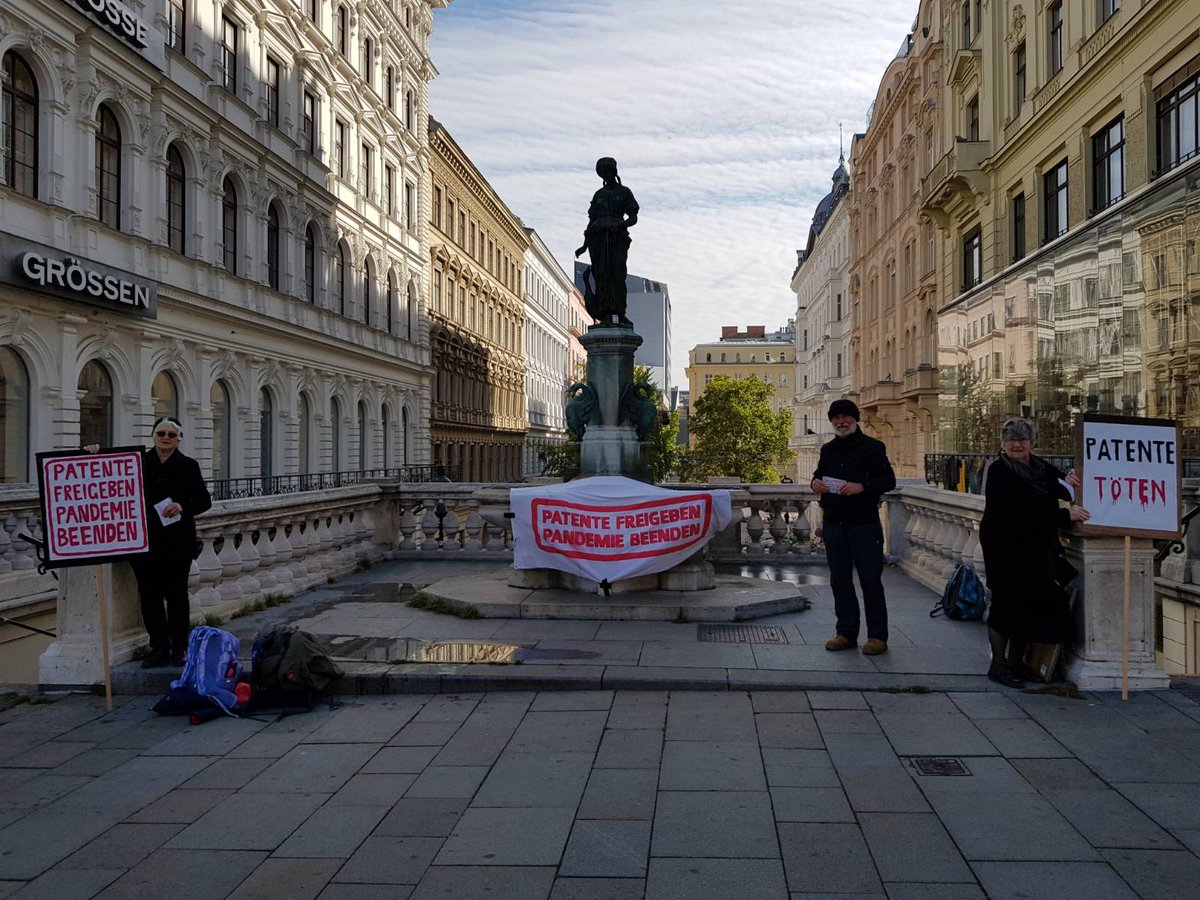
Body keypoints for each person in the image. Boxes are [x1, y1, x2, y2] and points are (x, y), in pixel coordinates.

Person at [979, 418, 1089, 688]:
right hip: (1003, 545)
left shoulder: (1039, 466)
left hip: (1034, 546)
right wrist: (1064, 514)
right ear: (1003, 444)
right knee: (1005, 604)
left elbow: (1060, 484)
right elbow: (1018, 512)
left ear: (1031, 442)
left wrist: (1072, 480)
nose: (1016, 444)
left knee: (1031, 603)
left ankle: (1017, 662)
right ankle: (998, 666)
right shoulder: (998, 471)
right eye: (1011, 440)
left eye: (1022, 439)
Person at [810, 399, 897, 655]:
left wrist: (862, 487)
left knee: (870, 580)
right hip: (834, 524)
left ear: (855, 419)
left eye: (846, 417)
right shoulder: (828, 450)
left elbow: (888, 480)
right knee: (839, 580)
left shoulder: (873, 447)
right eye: (836, 418)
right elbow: (819, 475)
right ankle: (846, 632)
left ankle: (877, 637)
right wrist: (815, 483)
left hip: (864, 525)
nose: (841, 422)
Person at [133, 416, 212, 668]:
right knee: (150, 597)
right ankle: (158, 647)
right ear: (153, 436)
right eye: (161, 433)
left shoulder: (188, 466)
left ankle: (179, 647)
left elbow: (204, 500)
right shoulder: (138, 463)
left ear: (178, 439)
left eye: (171, 434)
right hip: (144, 543)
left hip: (178, 543)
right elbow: (108, 477)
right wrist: (90, 453)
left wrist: (182, 506)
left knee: (177, 596)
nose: (165, 438)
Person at [575, 157, 639, 326]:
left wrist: (621, 224)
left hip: (616, 237)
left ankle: (619, 312)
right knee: (600, 274)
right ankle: (605, 314)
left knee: (617, 274)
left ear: (614, 171)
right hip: (598, 237)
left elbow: (633, 217)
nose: (605, 174)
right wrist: (584, 245)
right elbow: (590, 222)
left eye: (608, 171)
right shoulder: (598, 195)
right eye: (602, 172)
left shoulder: (624, 192)